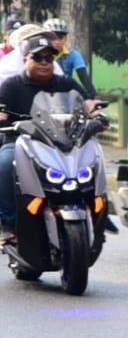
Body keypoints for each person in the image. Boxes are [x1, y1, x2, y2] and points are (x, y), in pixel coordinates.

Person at [0, 34, 82, 235]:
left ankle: (97, 212)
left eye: (49, 58)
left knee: (90, 162)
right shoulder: (11, 85)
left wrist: (97, 115)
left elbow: (87, 102)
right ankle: (8, 223)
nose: (44, 63)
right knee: (4, 163)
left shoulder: (65, 83)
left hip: (60, 146)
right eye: (38, 58)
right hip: (20, 143)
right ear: (25, 60)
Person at [41, 19, 94, 99]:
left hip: (64, 96)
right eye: (53, 38)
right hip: (41, 94)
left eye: (60, 38)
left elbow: (84, 77)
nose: (57, 42)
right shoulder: (38, 54)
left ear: (65, 39)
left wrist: (94, 97)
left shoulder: (73, 54)